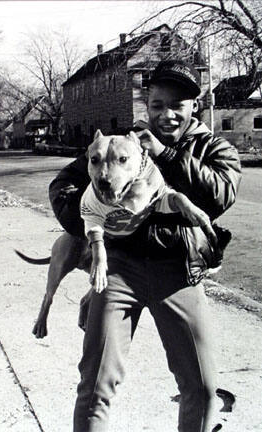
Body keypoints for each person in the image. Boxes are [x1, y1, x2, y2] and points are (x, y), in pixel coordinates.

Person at [49, 59, 242, 432]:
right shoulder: (119, 146)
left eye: (177, 106)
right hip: (119, 272)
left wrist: (165, 155)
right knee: (95, 387)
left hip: (179, 276)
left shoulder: (215, 148)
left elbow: (218, 197)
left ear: (194, 107)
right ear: (146, 106)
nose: (166, 115)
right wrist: (95, 215)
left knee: (201, 389)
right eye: (157, 105)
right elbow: (64, 186)